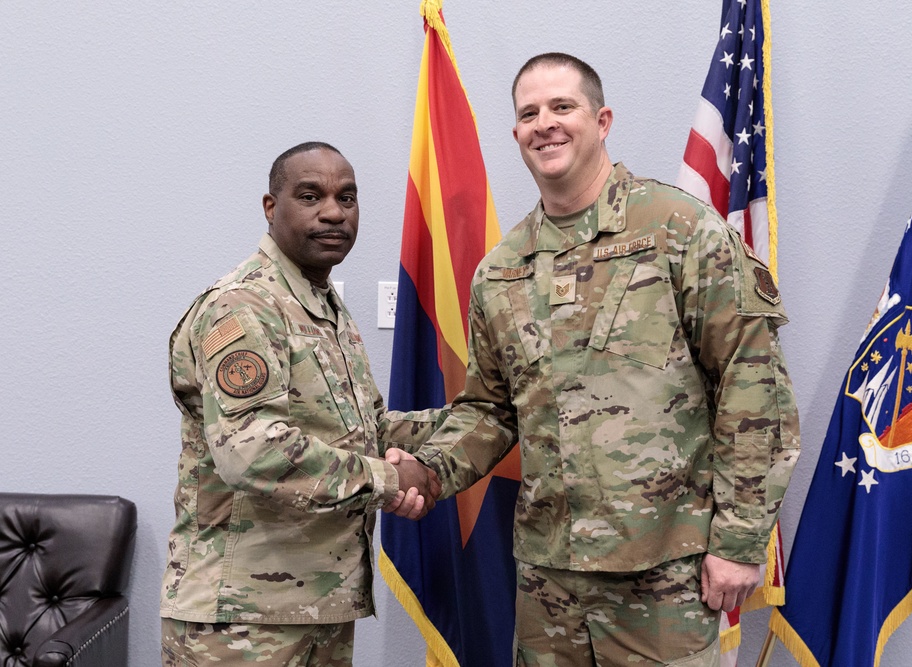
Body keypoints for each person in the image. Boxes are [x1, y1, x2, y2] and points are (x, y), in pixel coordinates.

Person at [400, 53, 801, 666]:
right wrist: (427, 473)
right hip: (548, 583)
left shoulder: (679, 230)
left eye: (563, 107)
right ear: (516, 135)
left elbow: (753, 390)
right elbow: (490, 411)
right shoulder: (502, 272)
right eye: (529, 113)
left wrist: (741, 540)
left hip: (662, 578)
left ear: (602, 119)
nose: (545, 124)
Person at [160, 141, 441, 666]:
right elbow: (254, 451)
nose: (334, 212)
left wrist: (477, 419)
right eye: (310, 196)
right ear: (272, 207)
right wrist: (389, 480)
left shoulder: (323, 305)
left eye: (347, 197)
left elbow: (367, 431)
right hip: (241, 621)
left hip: (318, 606)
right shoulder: (243, 307)